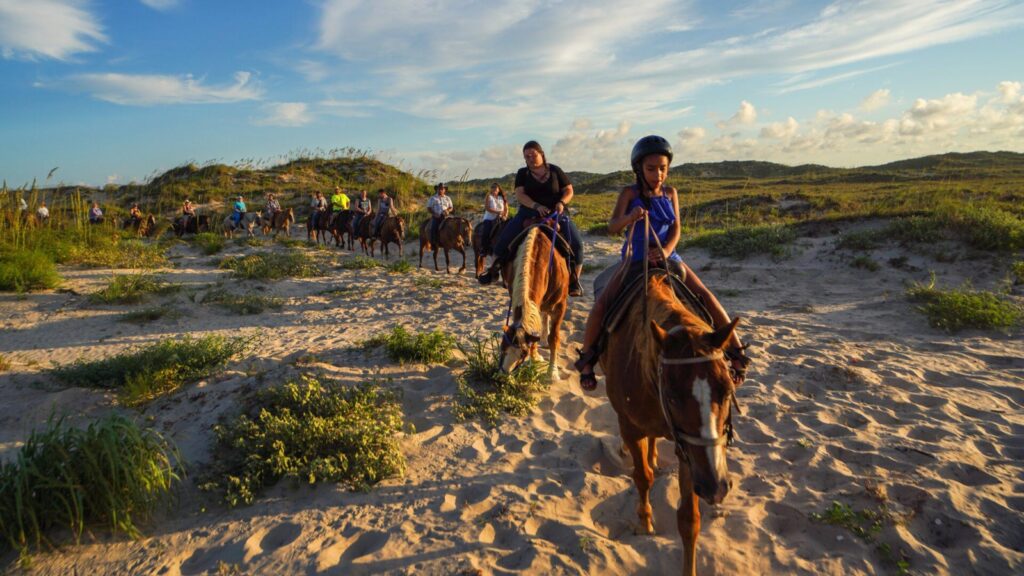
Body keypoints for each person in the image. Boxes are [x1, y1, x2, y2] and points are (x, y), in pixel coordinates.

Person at [573, 135, 749, 391]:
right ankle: (587, 360)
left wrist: (666, 251)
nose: (658, 175)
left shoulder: (670, 192)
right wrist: (630, 217)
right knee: (602, 304)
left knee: (705, 295)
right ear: (639, 169)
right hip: (635, 258)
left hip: (669, 257)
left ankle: (735, 351)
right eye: (651, 169)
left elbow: (677, 227)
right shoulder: (629, 193)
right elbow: (612, 227)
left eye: (663, 169)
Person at [478, 140, 585, 296]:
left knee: (577, 244)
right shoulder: (523, 173)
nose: (530, 159)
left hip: (557, 212)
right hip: (528, 213)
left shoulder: (555, 170)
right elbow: (520, 194)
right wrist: (535, 206)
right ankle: (493, 271)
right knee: (503, 241)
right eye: (526, 156)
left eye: (533, 155)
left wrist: (562, 202)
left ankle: (574, 281)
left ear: (541, 153)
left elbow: (568, 190)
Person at [478, 183, 508, 254]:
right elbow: (487, 208)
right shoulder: (489, 197)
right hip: (489, 218)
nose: (495, 190)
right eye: (493, 188)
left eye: (496, 188)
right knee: (486, 231)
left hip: (501, 218)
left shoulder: (501, 198)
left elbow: (506, 208)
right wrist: (498, 212)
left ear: (498, 190)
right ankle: (484, 248)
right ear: (491, 189)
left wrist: (505, 215)